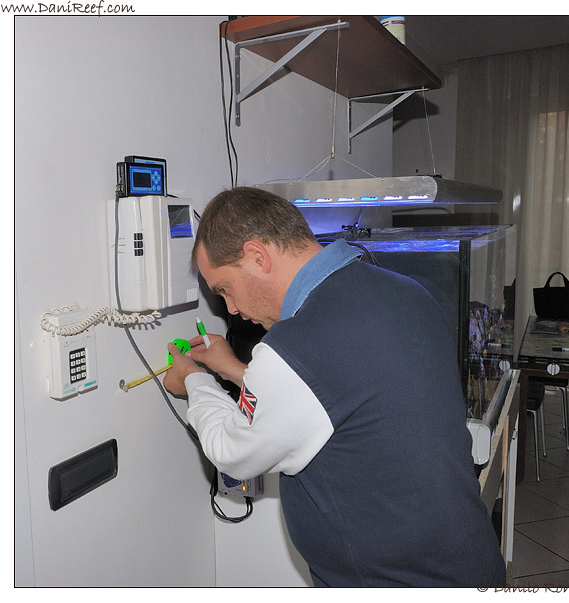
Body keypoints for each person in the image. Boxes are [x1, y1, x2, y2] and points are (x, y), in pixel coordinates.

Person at [164, 186, 506, 588]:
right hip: (468, 563)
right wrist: (235, 370)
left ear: (257, 256)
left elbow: (233, 452)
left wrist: (194, 379)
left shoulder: (298, 345)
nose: (232, 308)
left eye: (224, 289)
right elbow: (335, 395)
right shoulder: (406, 290)